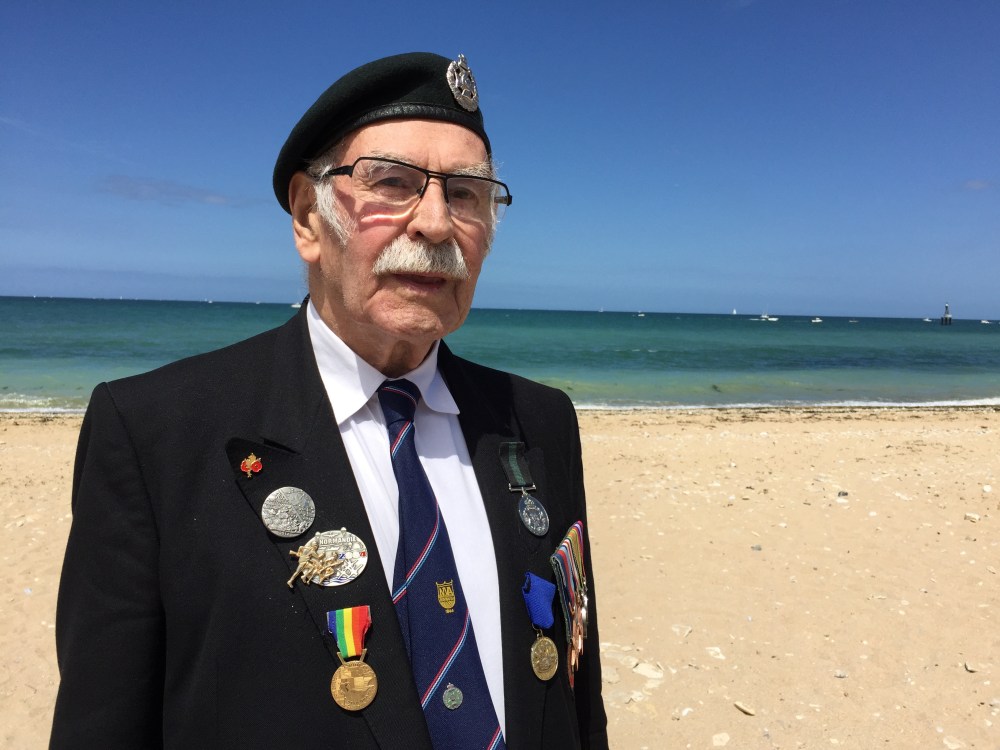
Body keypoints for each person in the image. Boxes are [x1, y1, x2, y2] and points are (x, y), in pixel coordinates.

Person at [51, 52, 607, 749]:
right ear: (308, 217)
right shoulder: (155, 433)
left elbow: (576, 694)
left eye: (466, 194)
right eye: (392, 183)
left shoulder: (539, 421)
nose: (437, 224)